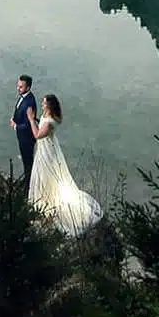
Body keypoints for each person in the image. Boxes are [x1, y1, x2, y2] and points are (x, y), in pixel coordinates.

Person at [26, 93, 103, 237]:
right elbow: (42, 126)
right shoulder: (49, 118)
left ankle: (48, 204)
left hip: (47, 153)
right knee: (45, 176)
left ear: (49, 106)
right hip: (48, 148)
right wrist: (36, 119)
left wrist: (31, 120)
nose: (42, 105)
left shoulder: (49, 122)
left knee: (46, 176)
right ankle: (45, 201)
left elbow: (37, 135)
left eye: (44, 103)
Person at [10, 74, 37, 191]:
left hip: (27, 138)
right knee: (26, 160)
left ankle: (28, 186)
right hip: (22, 137)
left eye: (21, 87)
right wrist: (14, 119)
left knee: (28, 161)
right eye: (18, 86)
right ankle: (27, 181)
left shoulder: (29, 102)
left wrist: (16, 126)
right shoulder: (24, 97)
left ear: (28, 88)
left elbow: (27, 125)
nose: (18, 88)